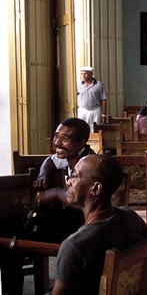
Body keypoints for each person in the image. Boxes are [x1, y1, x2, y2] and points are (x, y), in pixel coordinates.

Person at [0, 118, 92, 294]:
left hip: (79, 230)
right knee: (8, 232)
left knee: (11, 245)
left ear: (81, 143)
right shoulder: (69, 157)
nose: (57, 142)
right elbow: (50, 160)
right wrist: (43, 174)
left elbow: (84, 201)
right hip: (66, 221)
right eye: (56, 136)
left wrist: (55, 193)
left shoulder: (89, 164)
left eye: (65, 138)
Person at [51, 154, 147, 294]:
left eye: (74, 176)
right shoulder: (132, 218)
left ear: (95, 188)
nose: (68, 182)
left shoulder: (74, 247)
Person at [77, 66, 107, 131]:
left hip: (95, 110)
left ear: (91, 74)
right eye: (81, 74)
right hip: (83, 110)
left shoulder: (99, 84)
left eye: (85, 74)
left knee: (95, 129)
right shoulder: (78, 85)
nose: (83, 76)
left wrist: (104, 114)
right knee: (82, 129)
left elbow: (104, 99)